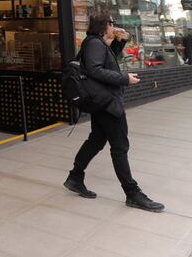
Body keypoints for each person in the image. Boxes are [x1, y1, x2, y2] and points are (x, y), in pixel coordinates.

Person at [63, 12, 165, 213]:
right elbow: (95, 70)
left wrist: (120, 41)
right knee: (120, 147)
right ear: (103, 25)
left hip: (102, 101)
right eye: (112, 23)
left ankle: (75, 177)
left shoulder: (97, 43)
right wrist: (124, 79)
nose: (114, 25)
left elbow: (107, 61)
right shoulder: (94, 43)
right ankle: (132, 193)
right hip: (107, 103)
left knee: (96, 141)